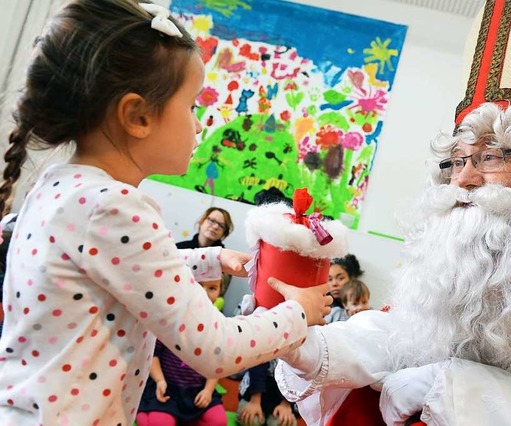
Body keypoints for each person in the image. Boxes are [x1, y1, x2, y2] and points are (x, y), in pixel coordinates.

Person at [274, 0, 511, 425]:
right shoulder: (468, 249)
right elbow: (406, 332)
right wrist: (314, 347)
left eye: (488, 156)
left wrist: (458, 391)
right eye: (455, 160)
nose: (463, 179)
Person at [0, 2, 331, 425]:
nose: (199, 124)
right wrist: (298, 311)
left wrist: (213, 259)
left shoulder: (63, 188)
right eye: (192, 106)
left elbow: (123, 267)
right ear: (137, 115)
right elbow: (217, 348)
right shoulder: (113, 208)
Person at [136, 281, 228, 426]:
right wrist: (160, 380)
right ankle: (146, 412)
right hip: (167, 388)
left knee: (218, 421)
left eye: (212, 288)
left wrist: (208, 390)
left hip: (197, 390)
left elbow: (217, 361)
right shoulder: (170, 321)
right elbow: (153, 354)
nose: (203, 293)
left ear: (220, 293)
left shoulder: (217, 325)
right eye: (197, 285)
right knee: (159, 422)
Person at [237, 359, 298, 426]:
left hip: (281, 397)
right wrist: (254, 401)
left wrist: (286, 405)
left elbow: (297, 376)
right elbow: (257, 367)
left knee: (283, 422)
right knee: (251, 420)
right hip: (253, 393)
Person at [324, 254, 363, 323]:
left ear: (351, 278)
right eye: (329, 279)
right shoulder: (322, 308)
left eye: (340, 278)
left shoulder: (362, 307)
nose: (334, 283)